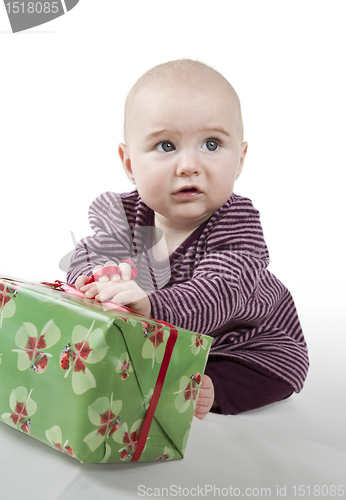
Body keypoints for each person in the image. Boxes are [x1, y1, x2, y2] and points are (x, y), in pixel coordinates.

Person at [67, 59, 309, 420]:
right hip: (174, 337)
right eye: (166, 146)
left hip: (243, 339)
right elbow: (88, 253)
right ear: (130, 164)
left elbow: (221, 290)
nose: (189, 165)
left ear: (240, 159)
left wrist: (151, 307)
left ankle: (214, 386)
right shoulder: (125, 214)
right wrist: (95, 278)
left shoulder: (237, 222)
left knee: (275, 366)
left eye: (211, 144)